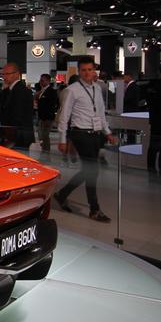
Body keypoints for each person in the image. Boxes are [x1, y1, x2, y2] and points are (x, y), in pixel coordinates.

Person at [54, 57, 115, 222]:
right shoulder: (72, 90)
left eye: (90, 69)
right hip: (80, 134)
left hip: (96, 134)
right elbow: (64, 116)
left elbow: (100, 113)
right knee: (92, 171)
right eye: (84, 70)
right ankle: (94, 209)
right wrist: (62, 139)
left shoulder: (97, 88)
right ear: (79, 71)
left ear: (94, 70)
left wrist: (107, 132)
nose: (87, 73)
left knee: (90, 171)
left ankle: (62, 194)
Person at [0, 63, 35, 149]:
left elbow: (18, 116)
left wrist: (8, 137)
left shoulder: (21, 91)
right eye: (3, 74)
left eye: (7, 74)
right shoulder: (8, 91)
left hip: (18, 136)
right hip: (11, 135)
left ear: (17, 74)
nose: (4, 77)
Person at [36, 73, 58, 152]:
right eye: (40, 80)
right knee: (41, 135)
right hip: (42, 117)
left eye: (42, 80)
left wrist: (47, 117)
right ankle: (44, 149)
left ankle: (46, 151)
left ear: (48, 81)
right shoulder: (42, 91)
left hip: (47, 118)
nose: (40, 82)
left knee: (45, 135)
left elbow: (51, 105)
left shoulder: (51, 91)